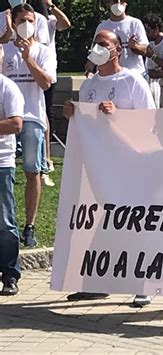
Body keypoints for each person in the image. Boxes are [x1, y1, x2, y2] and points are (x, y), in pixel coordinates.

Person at [64, 30, 156, 307]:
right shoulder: (90, 87)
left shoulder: (132, 81)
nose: (98, 47)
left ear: (117, 50)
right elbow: (85, 127)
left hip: (129, 165)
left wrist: (118, 114)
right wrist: (73, 113)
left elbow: (150, 120)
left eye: (104, 44)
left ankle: (143, 284)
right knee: (102, 222)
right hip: (98, 166)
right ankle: (97, 282)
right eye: (96, 43)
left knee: (134, 224)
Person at [2, 3, 55, 247]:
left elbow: (46, 83)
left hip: (32, 116)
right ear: (13, 22)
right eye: (22, 20)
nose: (26, 25)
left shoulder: (43, 50)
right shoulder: (4, 50)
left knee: (32, 170)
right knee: (6, 171)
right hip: (8, 118)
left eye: (31, 20)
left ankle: (30, 225)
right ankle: (7, 219)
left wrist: (28, 59)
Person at [40, 0, 70, 187]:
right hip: (22, 74)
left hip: (47, 74)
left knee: (45, 114)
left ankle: (46, 157)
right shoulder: (21, 18)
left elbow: (65, 24)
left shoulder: (49, 20)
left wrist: (51, 6)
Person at [0, 71, 24, 296]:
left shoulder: (7, 88)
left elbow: (16, 124)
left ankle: (10, 274)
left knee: (5, 222)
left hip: (1, 162)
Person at [86, 0, 148, 76]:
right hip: (110, 75)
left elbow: (145, 49)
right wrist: (89, 71)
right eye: (115, 1)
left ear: (126, 3)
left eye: (121, 1)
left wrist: (135, 46)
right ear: (108, 3)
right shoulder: (102, 27)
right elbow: (94, 52)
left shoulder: (135, 23)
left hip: (134, 73)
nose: (118, 3)